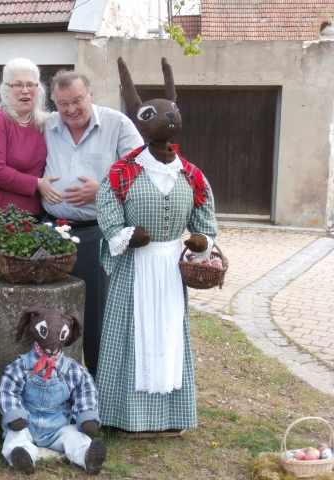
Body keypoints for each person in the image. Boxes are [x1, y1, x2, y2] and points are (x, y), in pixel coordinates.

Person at [94, 56, 218, 434]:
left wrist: (200, 241)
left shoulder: (191, 174)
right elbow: (108, 210)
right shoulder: (123, 172)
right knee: (128, 333)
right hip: (134, 265)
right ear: (140, 122)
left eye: (170, 113)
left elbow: (205, 219)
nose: (165, 121)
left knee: (167, 332)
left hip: (169, 270)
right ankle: (122, 416)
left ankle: (169, 418)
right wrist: (129, 234)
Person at [40, 71, 143, 378]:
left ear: (91, 96)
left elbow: (143, 172)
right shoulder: (47, 126)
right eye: (62, 104)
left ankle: (102, 385)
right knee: (52, 311)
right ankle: (55, 380)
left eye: (76, 101)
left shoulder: (118, 125)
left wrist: (103, 190)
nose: (71, 110)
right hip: (52, 230)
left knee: (96, 314)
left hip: (97, 232)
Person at [0, 58, 52, 275]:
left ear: (39, 89)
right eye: (17, 85)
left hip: (37, 219)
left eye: (31, 84)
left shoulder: (46, 123)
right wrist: (37, 184)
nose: (25, 91)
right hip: (1, 220)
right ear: (5, 90)